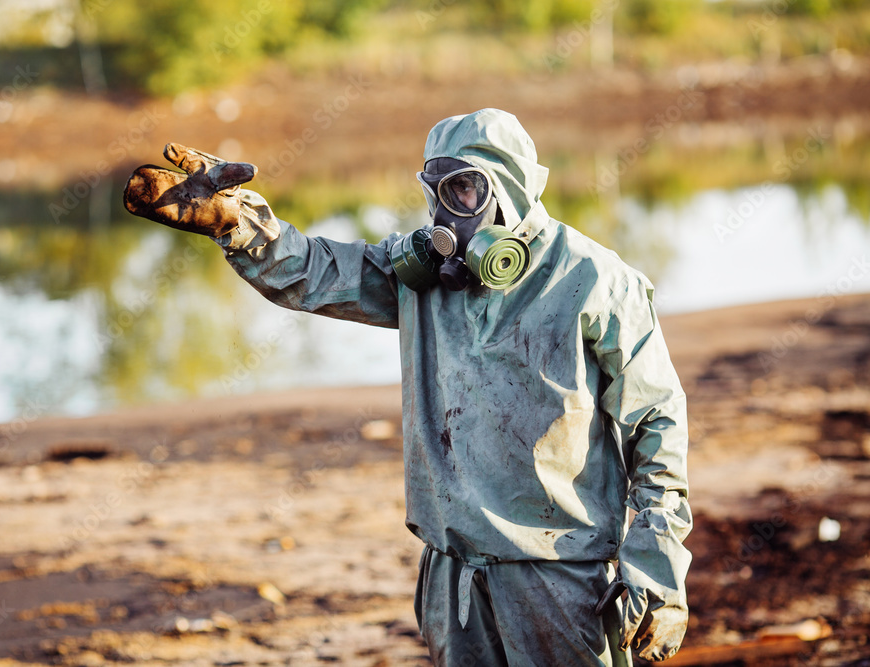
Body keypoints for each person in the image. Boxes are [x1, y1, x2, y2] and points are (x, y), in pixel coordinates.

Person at [123, 108, 692, 666]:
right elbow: (313, 272)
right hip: (453, 581)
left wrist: (657, 571)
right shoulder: (418, 280)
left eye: (464, 190)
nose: (447, 215)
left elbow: (656, 425)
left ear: (510, 187)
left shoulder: (595, 281)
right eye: (435, 190)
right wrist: (235, 220)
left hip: (560, 577)